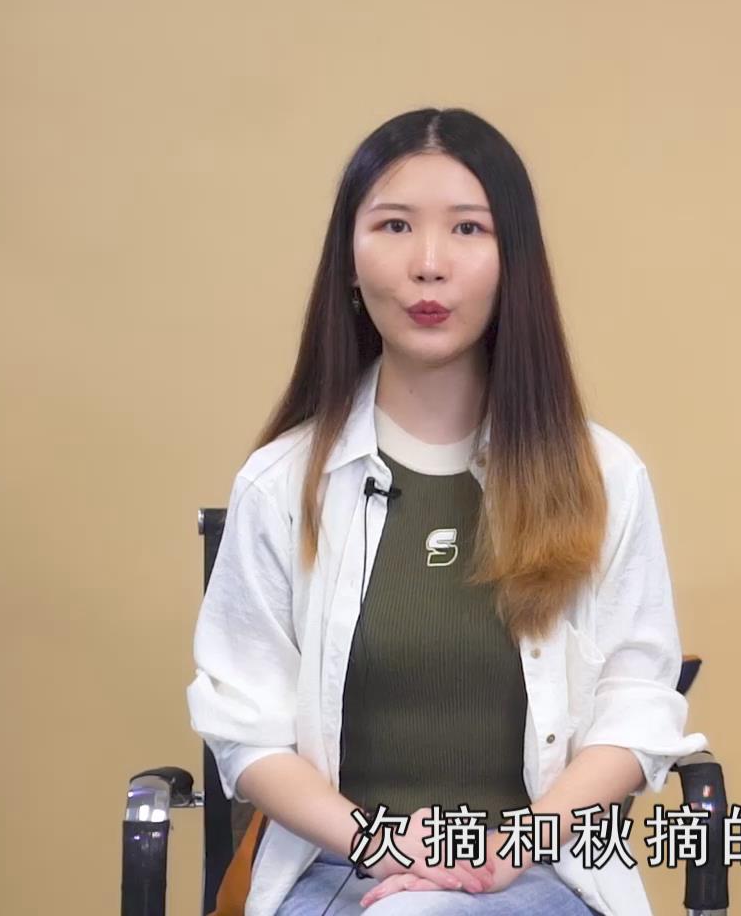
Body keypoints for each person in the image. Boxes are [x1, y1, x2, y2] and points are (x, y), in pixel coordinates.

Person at [187, 108, 707, 916]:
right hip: (339, 870)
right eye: (394, 226)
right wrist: (384, 845)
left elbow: (636, 708)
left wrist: (511, 848)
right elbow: (246, 730)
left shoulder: (602, 478)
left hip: (539, 874)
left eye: (468, 228)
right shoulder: (281, 484)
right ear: (348, 262)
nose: (428, 265)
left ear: (513, 263)